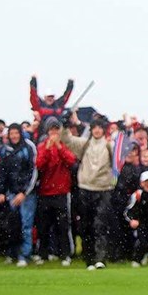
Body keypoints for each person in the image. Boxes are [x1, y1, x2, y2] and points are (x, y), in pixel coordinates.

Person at [62, 114, 115, 270]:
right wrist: (65, 126)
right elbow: (67, 140)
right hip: (85, 188)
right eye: (95, 128)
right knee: (86, 225)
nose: (97, 130)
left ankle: (100, 258)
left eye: (100, 128)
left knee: (100, 225)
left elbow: (120, 157)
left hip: (104, 189)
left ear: (104, 130)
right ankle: (89, 259)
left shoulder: (109, 145)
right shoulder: (84, 144)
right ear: (91, 130)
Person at [34, 117, 76, 266]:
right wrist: (47, 148)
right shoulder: (42, 146)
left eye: (56, 130)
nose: (54, 133)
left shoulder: (64, 145)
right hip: (45, 192)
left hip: (61, 192)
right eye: (51, 130)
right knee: (43, 226)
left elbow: (71, 161)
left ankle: (65, 255)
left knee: (63, 226)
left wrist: (59, 147)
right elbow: (39, 164)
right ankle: (43, 254)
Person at [0, 123, 39, 266]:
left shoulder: (29, 147)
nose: (14, 136)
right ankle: (12, 253)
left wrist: (24, 192)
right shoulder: (5, 150)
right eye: (12, 133)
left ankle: (24, 255)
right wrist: (1, 191)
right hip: (11, 193)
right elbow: (2, 173)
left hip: (27, 194)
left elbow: (33, 171)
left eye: (16, 133)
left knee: (26, 225)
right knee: (11, 225)